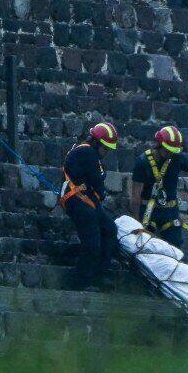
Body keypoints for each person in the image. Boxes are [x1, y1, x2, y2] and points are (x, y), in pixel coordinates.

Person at [129, 126, 188, 248]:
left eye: (173, 151)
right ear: (159, 145)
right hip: (148, 209)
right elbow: (136, 195)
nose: (170, 154)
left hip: (169, 210)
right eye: (167, 150)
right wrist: (136, 223)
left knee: (174, 246)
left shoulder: (177, 158)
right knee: (143, 245)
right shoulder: (143, 162)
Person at [60, 122, 120, 290]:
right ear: (96, 142)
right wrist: (101, 190)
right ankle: (80, 282)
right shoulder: (87, 152)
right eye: (105, 148)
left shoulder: (90, 154)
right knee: (92, 243)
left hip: (87, 200)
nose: (106, 153)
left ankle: (101, 273)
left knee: (109, 229)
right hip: (77, 200)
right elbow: (97, 180)